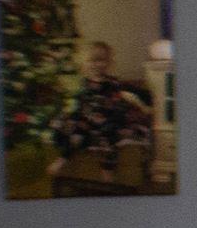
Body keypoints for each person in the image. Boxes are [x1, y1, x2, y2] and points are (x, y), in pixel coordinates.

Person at [51, 41, 155, 185]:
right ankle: (63, 158)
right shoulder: (83, 83)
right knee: (75, 130)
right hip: (87, 117)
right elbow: (78, 103)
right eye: (93, 61)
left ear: (108, 63)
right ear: (86, 63)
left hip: (108, 117)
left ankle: (108, 170)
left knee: (109, 134)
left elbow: (134, 91)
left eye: (102, 60)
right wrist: (69, 114)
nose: (98, 65)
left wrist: (146, 103)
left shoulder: (113, 82)